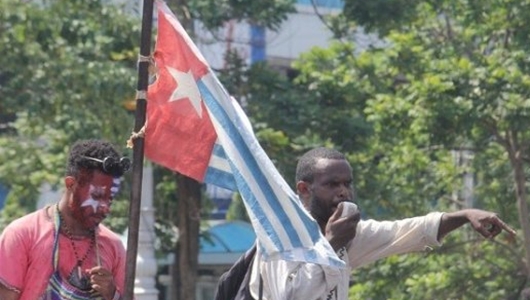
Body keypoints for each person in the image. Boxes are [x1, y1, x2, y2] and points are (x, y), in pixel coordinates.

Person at [246, 147, 517, 300]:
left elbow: (409, 232)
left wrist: (465, 215)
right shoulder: (281, 236)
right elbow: (291, 296)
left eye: (347, 184)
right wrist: (331, 246)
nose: (343, 192)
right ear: (304, 189)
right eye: (332, 184)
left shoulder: (348, 234)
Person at [0, 139, 131, 300]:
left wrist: (113, 295)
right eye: (97, 196)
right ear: (71, 184)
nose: (105, 207)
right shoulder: (23, 234)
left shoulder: (113, 247)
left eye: (110, 199)